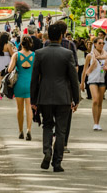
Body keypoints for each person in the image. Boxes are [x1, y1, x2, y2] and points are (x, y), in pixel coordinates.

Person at [31, 20, 79, 172]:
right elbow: (73, 79)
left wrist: (33, 100)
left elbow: (34, 78)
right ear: (60, 36)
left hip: (44, 95)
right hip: (63, 96)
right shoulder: (67, 53)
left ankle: (47, 151)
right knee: (61, 130)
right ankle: (57, 162)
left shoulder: (39, 53)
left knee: (47, 125)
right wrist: (76, 99)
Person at [8, 35, 35, 140]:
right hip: (30, 84)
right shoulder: (34, 55)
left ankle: (20, 131)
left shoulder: (16, 55)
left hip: (19, 84)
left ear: (21, 44)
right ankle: (29, 129)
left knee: (19, 109)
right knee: (29, 108)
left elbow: (10, 69)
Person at [81, 37, 107, 131]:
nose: (101, 45)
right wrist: (82, 83)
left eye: (103, 43)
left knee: (100, 102)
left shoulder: (106, 55)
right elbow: (85, 70)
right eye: (99, 43)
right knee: (95, 100)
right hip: (92, 80)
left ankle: (98, 122)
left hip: (102, 80)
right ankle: (95, 123)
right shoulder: (90, 56)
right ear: (95, 44)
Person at [0, 32, 15, 100]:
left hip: (0, 61)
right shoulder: (7, 45)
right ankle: (8, 93)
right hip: (7, 61)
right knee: (9, 78)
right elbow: (12, 54)